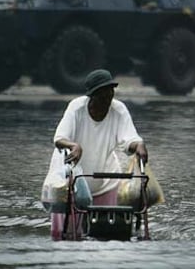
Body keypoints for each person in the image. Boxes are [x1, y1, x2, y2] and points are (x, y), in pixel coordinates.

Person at [50, 68, 148, 240]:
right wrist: (74, 146)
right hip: (73, 173)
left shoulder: (118, 110)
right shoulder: (76, 108)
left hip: (104, 176)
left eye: (110, 93)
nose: (107, 99)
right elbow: (59, 138)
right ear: (92, 96)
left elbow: (129, 138)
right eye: (102, 95)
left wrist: (138, 145)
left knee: (107, 233)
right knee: (71, 233)